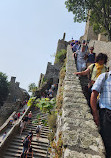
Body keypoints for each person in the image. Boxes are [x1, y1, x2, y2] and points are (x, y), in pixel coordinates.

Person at [90, 71, 111, 158]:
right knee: (107, 142)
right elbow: (94, 94)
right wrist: (95, 114)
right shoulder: (104, 77)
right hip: (106, 114)